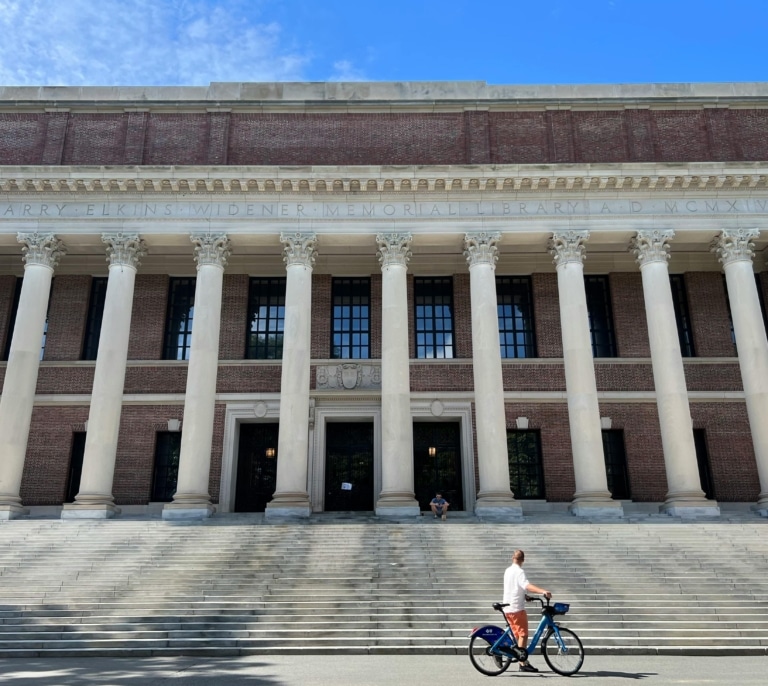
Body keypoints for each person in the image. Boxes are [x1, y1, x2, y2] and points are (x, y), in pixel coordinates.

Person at [502, 549, 551, 673]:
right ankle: (522, 664)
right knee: (523, 635)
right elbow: (526, 585)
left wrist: (524, 595)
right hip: (517, 608)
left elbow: (513, 587)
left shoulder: (508, 571)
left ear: (513, 558)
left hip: (508, 608)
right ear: (523, 560)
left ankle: (519, 660)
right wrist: (543, 591)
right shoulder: (519, 571)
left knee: (517, 636)